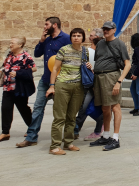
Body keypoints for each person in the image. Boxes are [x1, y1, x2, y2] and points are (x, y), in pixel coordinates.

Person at [16, 16, 71, 149]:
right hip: (45, 80)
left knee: (62, 111)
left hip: (60, 81)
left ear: (55, 25)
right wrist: (41, 41)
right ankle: (31, 137)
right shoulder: (46, 40)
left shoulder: (66, 39)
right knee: (37, 108)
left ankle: (69, 135)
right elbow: (36, 54)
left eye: (46, 24)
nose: (44, 27)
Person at [47, 28, 90, 155]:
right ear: (71, 38)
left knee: (72, 117)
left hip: (78, 87)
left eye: (79, 35)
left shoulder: (85, 51)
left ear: (83, 38)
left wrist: (89, 66)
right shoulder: (64, 50)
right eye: (74, 35)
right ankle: (54, 146)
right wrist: (51, 86)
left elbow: (85, 67)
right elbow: (55, 69)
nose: (76, 37)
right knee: (59, 117)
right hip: (63, 86)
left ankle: (68, 143)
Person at [89, 21, 131, 151]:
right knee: (105, 108)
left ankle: (115, 138)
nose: (105, 31)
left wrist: (119, 81)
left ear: (114, 30)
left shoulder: (119, 44)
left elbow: (127, 64)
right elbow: (99, 60)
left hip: (111, 77)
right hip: (99, 77)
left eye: (108, 29)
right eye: (104, 29)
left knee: (115, 107)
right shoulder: (100, 43)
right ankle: (106, 135)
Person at [0, 37, 36, 142]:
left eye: (12, 43)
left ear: (20, 45)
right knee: (5, 109)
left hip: (20, 88)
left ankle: (32, 128)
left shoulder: (26, 56)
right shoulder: (9, 55)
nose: (10, 45)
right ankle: (5, 132)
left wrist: (18, 73)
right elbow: (4, 66)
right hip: (8, 87)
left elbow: (34, 68)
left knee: (23, 109)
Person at [73, 29, 104, 142]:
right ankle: (77, 127)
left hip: (92, 84)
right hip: (91, 84)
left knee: (86, 107)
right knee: (86, 107)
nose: (90, 37)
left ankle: (77, 127)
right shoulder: (91, 52)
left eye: (92, 36)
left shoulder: (89, 52)